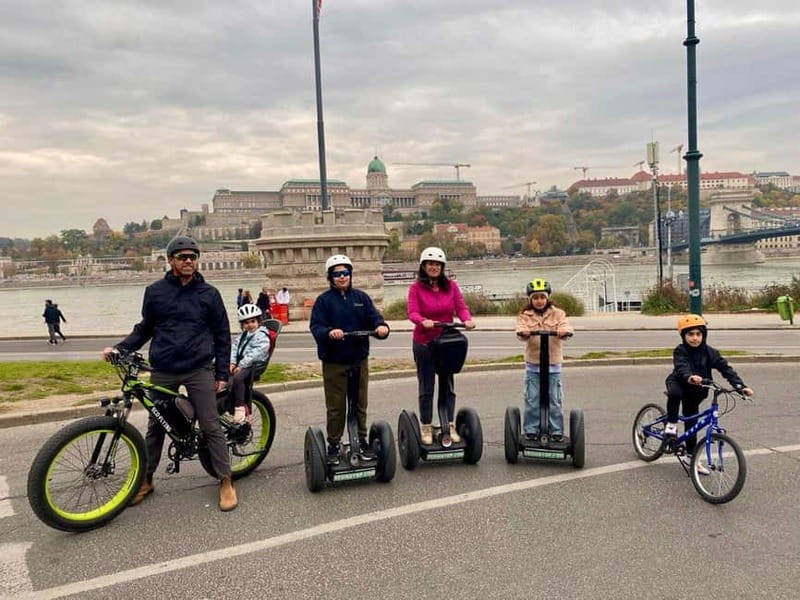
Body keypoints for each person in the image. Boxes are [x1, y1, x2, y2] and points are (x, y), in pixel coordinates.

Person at [101, 236, 238, 512]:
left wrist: (221, 372)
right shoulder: (155, 292)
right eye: (182, 257)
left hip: (199, 367)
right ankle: (147, 480)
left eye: (192, 257)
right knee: (156, 426)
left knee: (210, 425)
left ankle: (225, 480)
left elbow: (222, 335)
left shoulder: (209, 294)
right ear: (170, 260)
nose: (188, 261)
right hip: (163, 369)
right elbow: (145, 329)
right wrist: (120, 348)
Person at [309, 254, 389, 464]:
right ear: (331, 277)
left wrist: (381, 327)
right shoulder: (324, 301)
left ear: (350, 274)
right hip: (334, 361)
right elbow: (316, 326)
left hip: (358, 359)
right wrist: (329, 332)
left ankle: (361, 440)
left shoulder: (361, 298)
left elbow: (375, 318)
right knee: (336, 406)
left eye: (345, 273)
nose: (342, 277)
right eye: (337, 274)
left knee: (359, 403)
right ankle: (334, 444)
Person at [664, 314, 754, 469]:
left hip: (698, 389)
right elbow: (681, 366)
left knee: (691, 422)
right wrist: (690, 376)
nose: (695, 338)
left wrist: (740, 387)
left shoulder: (710, 352)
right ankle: (671, 425)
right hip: (679, 382)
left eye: (698, 334)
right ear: (683, 336)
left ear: (703, 335)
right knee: (675, 394)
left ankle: (691, 456)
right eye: (690, 334)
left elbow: (726, 369)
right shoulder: (680, 350)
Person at [406, 247, 474, 445]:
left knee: (448, 385)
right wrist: (422, 320)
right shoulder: (415, 288)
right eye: (430, 264)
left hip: (446, 341)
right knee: (427, 386)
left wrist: (467, 320)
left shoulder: (451, 286)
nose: (434, 267)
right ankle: (426, 426)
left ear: (442, 267)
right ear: (423, 266)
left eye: (437, 264)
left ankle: (449, 424)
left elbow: (461, 307)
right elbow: (412, 312)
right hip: (425, 342)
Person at [515, 278, 574, 442]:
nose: (539, 301)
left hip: (553, 366)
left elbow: (567, 326)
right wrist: (523, 331)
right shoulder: (525, 316)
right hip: (533, 366)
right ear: (530, 300)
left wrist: (564, 331)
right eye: (535, 298)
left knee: (554, 401)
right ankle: (531, 430)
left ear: (547, 297)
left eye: (542, 297)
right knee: (532, 400)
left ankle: (556, 431)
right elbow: (520, 328)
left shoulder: (558, 313)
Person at [228, 303, 271, 424]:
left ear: (258, 321)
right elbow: (234, 348)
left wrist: (241, 365)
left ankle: (240, 407)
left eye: (253, 321)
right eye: (246, 323)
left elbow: (256, 353)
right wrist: (232, 362)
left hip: (253, 364)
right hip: (241, 363)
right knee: (226, 377)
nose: (250, 325)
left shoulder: (262, 336)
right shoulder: (243, 335)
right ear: (242, 325)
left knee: (237, 378)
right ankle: (228, 404)